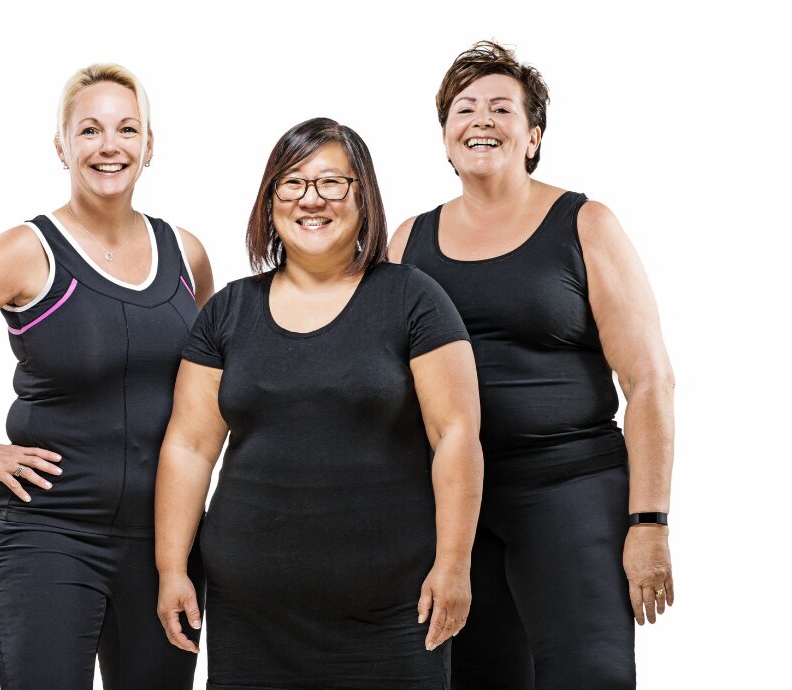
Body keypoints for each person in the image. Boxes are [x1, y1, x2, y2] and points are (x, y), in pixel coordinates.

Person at [0, 63, 213, 689]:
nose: (109, 145)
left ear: (149, 144)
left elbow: (204, 388)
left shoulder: (186, 254)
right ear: (62, 146)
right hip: (50, 533)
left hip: (164, 542)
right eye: (89, 130)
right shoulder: (28, 252)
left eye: (127, 129)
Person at [154, 117, 482, 689]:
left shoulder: (413, 299)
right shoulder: (228, 311)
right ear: (270, 200)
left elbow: (456, 435)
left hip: (393, 611)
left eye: (332, 182)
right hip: (250, 615)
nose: (311, 200)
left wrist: (454, 565)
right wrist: (170, 568)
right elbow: (189, 447)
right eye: (293, 183)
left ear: (363, 197)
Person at [389, 41, 675, 688]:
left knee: (589, 675)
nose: (481, 120)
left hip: (571, 488)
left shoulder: (586, 224)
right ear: (445, 138)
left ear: (533, 136)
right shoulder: (408, 241)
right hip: (453, 505)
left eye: (501, 108)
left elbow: (650, 382)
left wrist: (649, 523)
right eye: (464, 109)